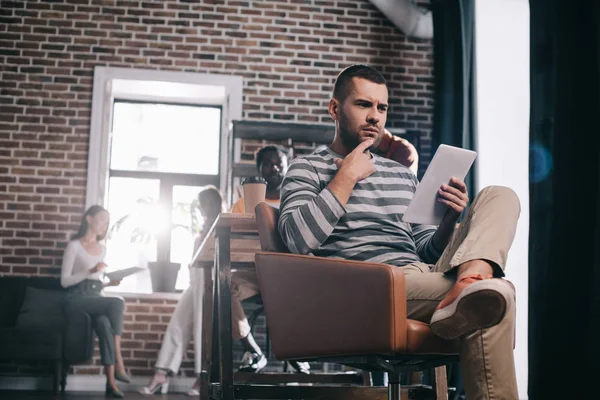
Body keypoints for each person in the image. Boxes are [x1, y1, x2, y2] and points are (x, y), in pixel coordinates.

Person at [277, 65, 520, 399]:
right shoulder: (307, 168)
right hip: (365, 283)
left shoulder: (402, 175)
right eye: (364, 105)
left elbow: (425, 250)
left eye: (382, 107)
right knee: (497, 294)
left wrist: (448, 220)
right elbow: (296, 241)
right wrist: (345, 177)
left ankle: (471, 279)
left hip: (420, 276)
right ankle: (474, 286)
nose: (375, 116)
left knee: (500, 195)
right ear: (335, 109)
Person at [139, 186, 224, 396]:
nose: (200, 209)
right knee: (177, 324)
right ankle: (162, 374)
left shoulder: (220, 227)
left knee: (201, 330)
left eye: (203, 205)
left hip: (208, 282)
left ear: (211, 205)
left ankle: (201, 377)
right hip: (194, 282)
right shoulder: (205, 228)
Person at [61, 205, 129, 398]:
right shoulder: (74, 246)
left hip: (94, 296)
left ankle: (111, 383)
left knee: (105, 324)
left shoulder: (102, 249)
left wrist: (108, 283)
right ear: (89, 219)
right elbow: (64, 281)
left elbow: (96, 283)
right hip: (75, 298)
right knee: (117, 303)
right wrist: (89, 271)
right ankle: (119, 361)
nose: (103, 225)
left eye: (106, 222)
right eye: (100, 220)